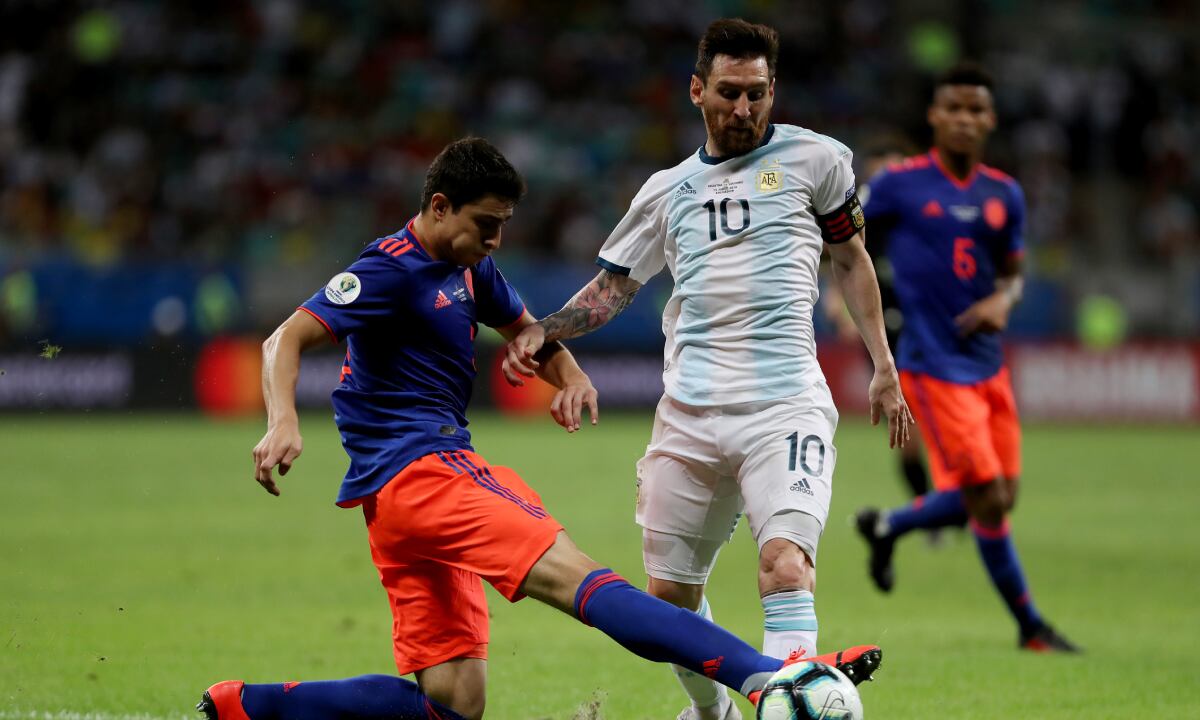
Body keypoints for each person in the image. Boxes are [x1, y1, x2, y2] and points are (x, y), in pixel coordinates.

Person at [196, 137, 881, 720]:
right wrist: (282, 420)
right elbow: (282, 340)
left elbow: (528, 330)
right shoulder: (387, 269)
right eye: (485, 224)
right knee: (584, 581)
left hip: (398, 503)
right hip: (427, 476)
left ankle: (248, 705)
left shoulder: (471, 267)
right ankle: (769, 678)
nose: (495, 240)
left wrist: (573, 377)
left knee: (452, 704)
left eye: (503, 225)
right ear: (439, 207)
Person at [504, 19, 911, 720]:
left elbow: (851, 257)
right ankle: (714, 712)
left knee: (786, 562)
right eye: (729, 92)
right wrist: (544, 330)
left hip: (784, 404)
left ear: (773, 90)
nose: (744, 109)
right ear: (698, 91)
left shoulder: (818, 162)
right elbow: (612, 290)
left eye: (757, 93)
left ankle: (784, 708)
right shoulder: (667, 191)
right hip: (689, 413)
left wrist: (883, 365)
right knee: (668, 601)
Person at [852, 63, 1081, 653]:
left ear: (990, 119)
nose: (963, 119)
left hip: (989, 365)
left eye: (974, 109)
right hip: (933, 364)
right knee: (986, 498)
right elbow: (842, 236)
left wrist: (1003, 300)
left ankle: (889, 525)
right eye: (952, 108)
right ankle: (1031, 628)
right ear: (934, 116)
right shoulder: (901, 185)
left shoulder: (1004, 194)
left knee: (1001, 498)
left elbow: (1013, 274)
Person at [822, 136, 945, 538]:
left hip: (927, 327)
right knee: (908, 429)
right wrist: (838, 302)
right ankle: (930, 517)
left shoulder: (925, 215)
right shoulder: (862, 213)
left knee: (939, 427)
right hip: (886, 333)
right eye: (881, 172)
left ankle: (937, 512)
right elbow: (845, 257)